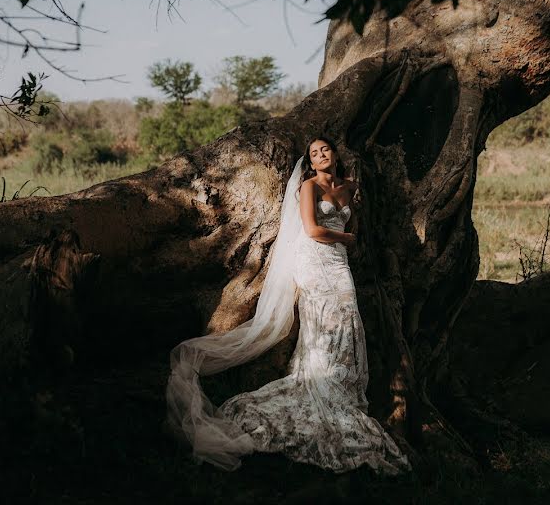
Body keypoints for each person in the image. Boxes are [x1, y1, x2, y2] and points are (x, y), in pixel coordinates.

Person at [166, 136, 411, 475]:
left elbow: (347, 223)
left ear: (335, 154)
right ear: (309, 161)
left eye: (325, 149)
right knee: (329, 317)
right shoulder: (309, 187)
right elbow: (311, 229)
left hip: (340, 263)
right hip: (314, 260)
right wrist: (345, 238)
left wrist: (347, 238)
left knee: (348, 317)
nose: (321, 154)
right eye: (314, 153)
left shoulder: (351, 186)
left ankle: (342, 384)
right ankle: (323, 380)